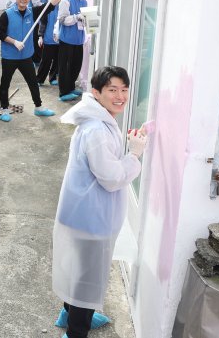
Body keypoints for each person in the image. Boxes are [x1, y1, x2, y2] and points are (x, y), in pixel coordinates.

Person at [51, 66, 148, 338]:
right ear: (97, 93)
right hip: (91, 216)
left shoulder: (99, 120)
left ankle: (69, 314)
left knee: (79, 269)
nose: (120, 96)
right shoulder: (97, 130)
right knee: (88, 277)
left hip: (82, 211)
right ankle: (75, 332)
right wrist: (135, 154)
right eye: (112, 90)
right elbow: (111, 178)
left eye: (124, 89)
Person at [0, 0, 56, 121]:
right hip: (9, 56)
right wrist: (14, 42)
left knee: (33, 82)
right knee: (5, 83)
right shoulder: (8, 14)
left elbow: (49, 6)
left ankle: (38, 107)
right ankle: (4, 109)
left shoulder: (32, 12)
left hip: (26, 56)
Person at [57, 0, 89, 102]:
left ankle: (70, 88)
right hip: (67, 39)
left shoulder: (85, 2)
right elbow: (63, 20)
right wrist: (77, 17)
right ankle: (63, 92)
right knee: (64, 66)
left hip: (79, 39)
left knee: (76, 65)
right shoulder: (66, 1)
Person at [36, 0, 70, 86]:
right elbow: (42, 23)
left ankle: (53, 77)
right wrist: (40, 36)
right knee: (46, 60)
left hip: (61, 38)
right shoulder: (48, 7)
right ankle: (39, 79)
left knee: (57, 60)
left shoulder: (64, 6)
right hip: (48, 38)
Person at [31, 0, 53, 66]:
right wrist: (47, 6)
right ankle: (35, 59)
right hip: (36, 16)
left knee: (40, 37)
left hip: (43, 15)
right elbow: (36, 3)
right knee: (36, 37)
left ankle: (38, 58)